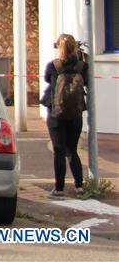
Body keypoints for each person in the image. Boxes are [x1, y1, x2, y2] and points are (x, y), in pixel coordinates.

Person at [44, 33, 88, 199]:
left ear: (58, 47)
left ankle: (59, 188)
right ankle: (79, 186)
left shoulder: (53, 66)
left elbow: (49, 81)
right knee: (72, 151)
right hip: (75, 114)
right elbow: (87, 83)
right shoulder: (82, 67)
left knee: (58, 151)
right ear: (75, 47)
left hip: (56, 113)